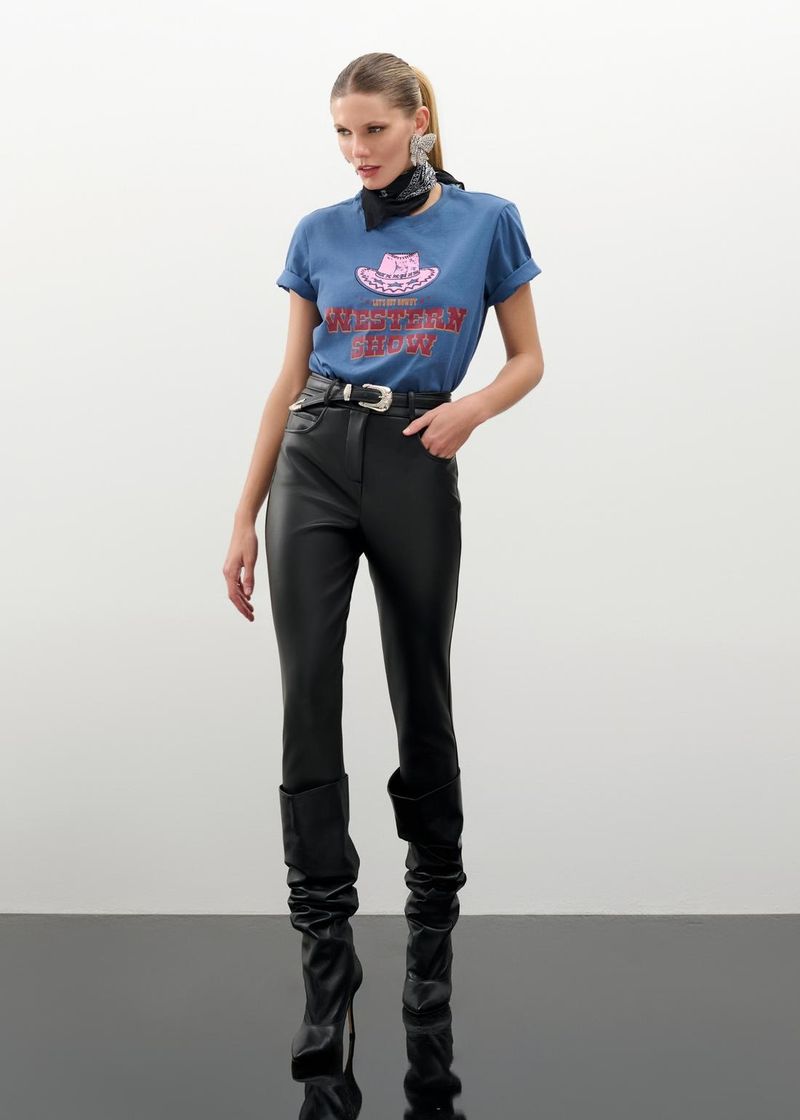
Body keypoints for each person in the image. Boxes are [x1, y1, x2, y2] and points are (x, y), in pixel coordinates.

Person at [222, 52, 545, 1071]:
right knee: (307, 698)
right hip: (314, 459)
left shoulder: (485, 221)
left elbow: (528, 358)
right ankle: (327, 974)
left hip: (415, 456)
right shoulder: (317, 232)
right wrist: (243, 515)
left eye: (372, 129)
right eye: (341, 132)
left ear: (418, 123)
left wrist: (470, 409)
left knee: (421, 693)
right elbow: (286, 379)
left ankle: (428, 952)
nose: (356, 150)